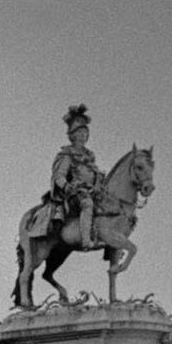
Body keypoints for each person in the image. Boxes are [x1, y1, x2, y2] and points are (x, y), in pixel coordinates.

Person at [50, 104, 102, 248]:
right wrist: (67, 187)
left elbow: (94, 173)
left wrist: (99, 181)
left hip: (92, 191)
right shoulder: (67, 154)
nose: (83, 135)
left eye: (85, 133)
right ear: (72, 135)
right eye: (79, 133)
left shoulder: (90, 155)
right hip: (75, 193)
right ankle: (86, 241)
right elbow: (58, 176)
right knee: (87, 204)